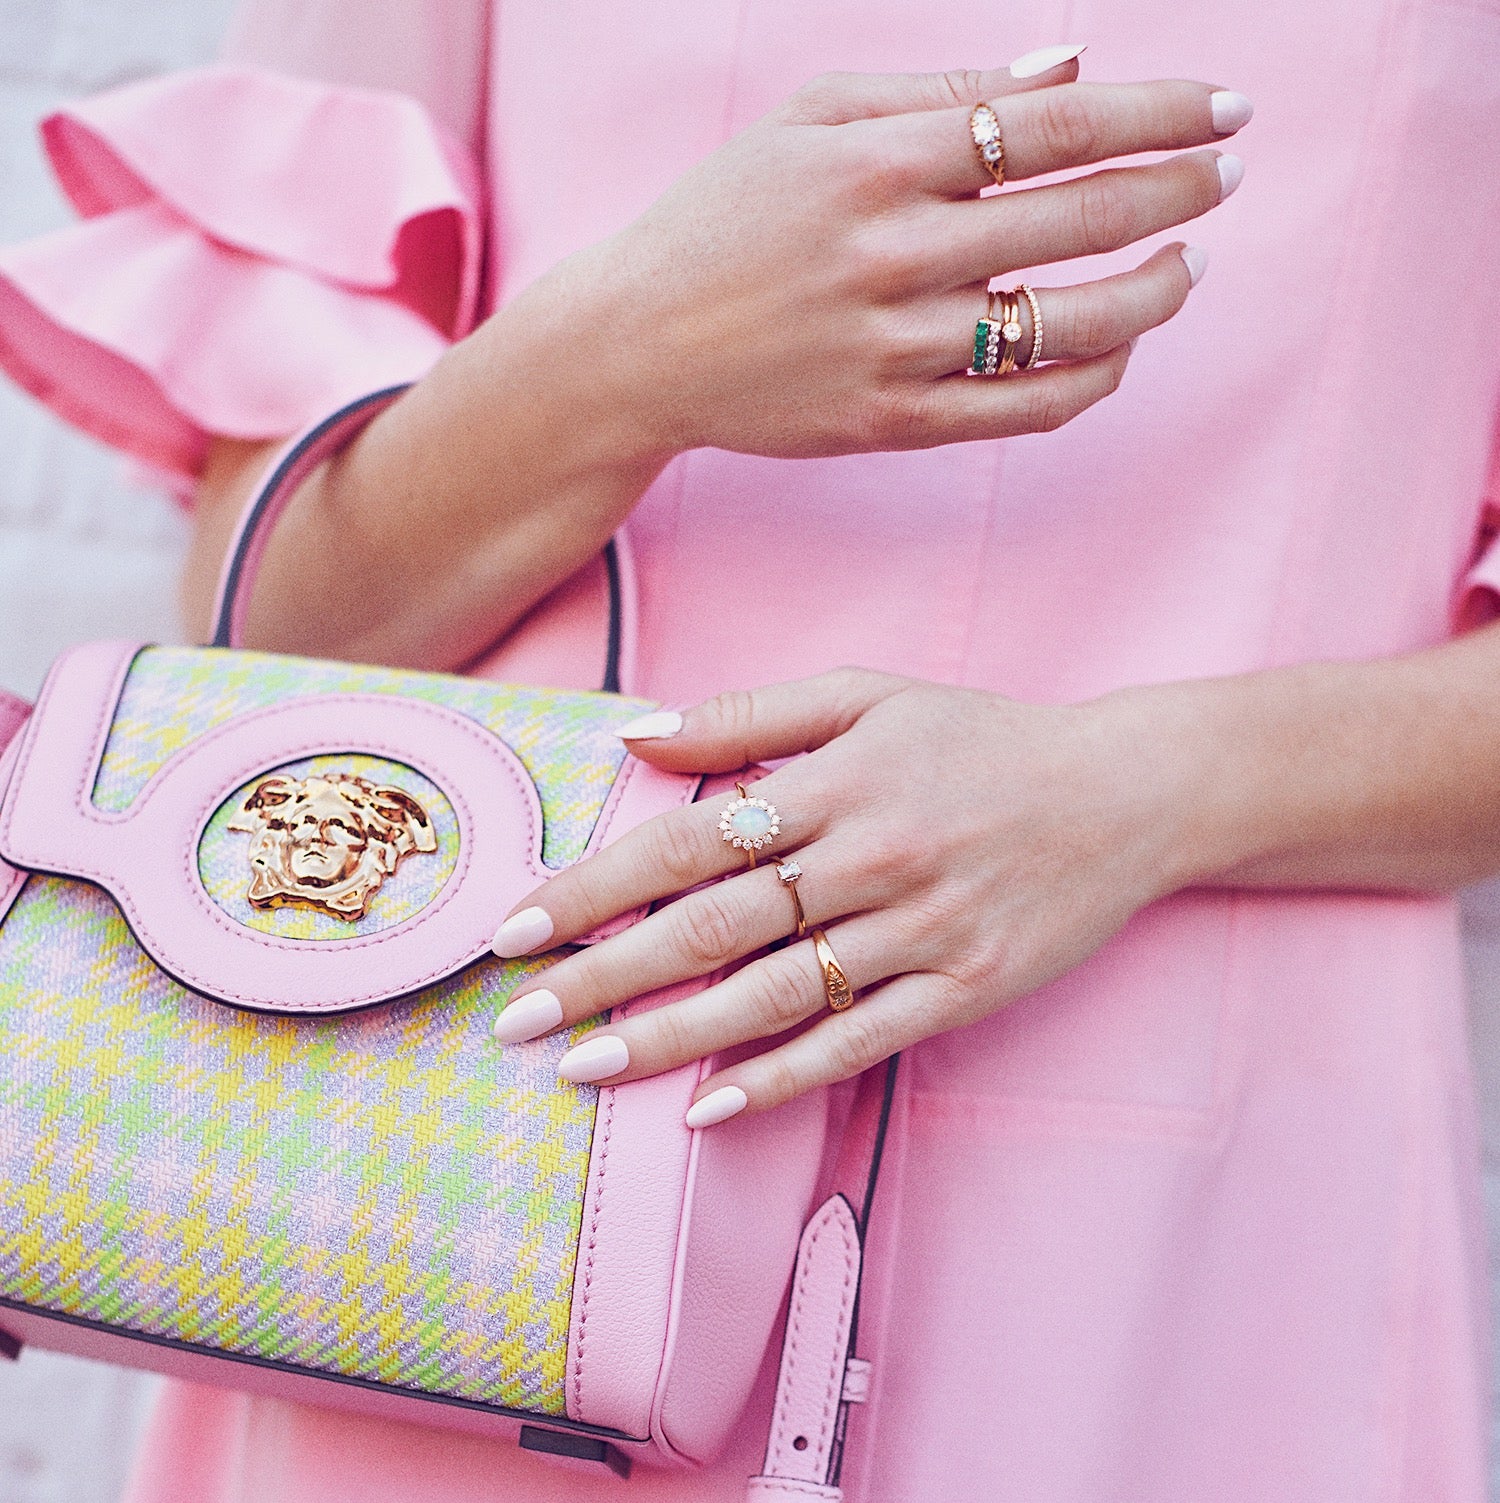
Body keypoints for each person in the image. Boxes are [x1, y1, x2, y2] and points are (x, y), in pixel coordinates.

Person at [0, 0, 1495, 1497]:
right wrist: (633, 350)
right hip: (490, 1162)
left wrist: (1138, 790)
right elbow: (278, 621)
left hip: (1208, 1247)